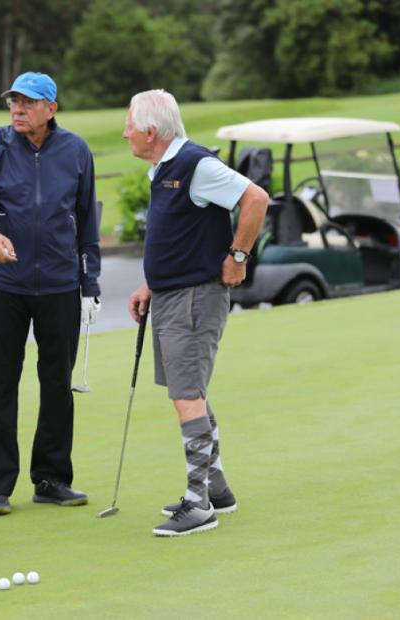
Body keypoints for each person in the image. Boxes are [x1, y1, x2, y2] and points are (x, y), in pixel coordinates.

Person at [123, 90, 269, 537]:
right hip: (171, 293)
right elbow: (180, 234)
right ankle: (217, 490)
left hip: (194, 297)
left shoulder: (197, 165)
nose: (125, 132)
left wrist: (238, 256)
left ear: (150, 132)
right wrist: (152, 281)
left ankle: (198, 503)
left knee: (186, 396)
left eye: (129, 125)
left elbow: (256, 199)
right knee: (191, 392)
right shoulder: (163, 169)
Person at [0, 72, 102, 516]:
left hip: (61, 285)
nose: (17, 110)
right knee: (0, 383)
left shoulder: (75, 150)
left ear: (51, 109)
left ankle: (52, 478)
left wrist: (90, 284)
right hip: (6, 285)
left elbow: (87, 222)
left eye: (27, 102)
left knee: (56, 384)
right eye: (13, 102)